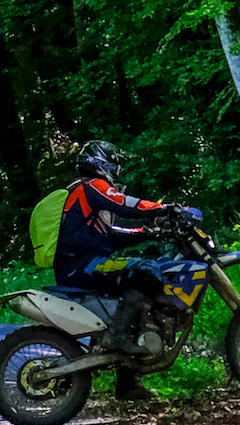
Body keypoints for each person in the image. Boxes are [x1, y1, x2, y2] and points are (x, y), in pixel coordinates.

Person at [54, 140, 199, 403]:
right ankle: (117, 336)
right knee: (148, 271)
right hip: (83, 266)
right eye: (113, 162)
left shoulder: (81, 194)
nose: (117, 168)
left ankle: (128, 382)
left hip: (80, 264)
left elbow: (109, 236)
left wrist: (147, 233)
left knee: (139, 297)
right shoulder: (91, 186)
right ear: (102, 163)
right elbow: (124, 204)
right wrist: (165, 208)